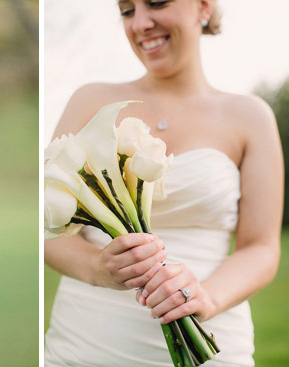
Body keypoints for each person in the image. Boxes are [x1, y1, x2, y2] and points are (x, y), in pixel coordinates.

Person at [44, 0, 282, 366]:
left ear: (203, 6)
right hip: (84, 347)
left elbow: (261, 249)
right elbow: (42, 227)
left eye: (157, 3)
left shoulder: (250, 117)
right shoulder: (90, 101)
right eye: (127, 10)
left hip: (215, 343)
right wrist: (98, 268)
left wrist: (206, 296)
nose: (140, 23)